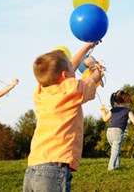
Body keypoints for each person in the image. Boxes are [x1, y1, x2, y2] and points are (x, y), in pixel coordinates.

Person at [23, 42, 103, 192]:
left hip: (32, 169)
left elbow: (64, 70)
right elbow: (93, 79)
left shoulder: (40, 91)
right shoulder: (71, 90)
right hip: (53, 171)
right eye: (71, 69)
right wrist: (96, 68)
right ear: (65, 76)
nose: (74, 69)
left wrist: (86, 47)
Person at [100, 89, 134, 172]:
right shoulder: (127, 110)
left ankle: (117, 165)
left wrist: (103, 111)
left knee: (115, 149)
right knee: (115, 151)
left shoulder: (113, 110)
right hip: (117, 132)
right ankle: (111, 168)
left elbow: (105, 119)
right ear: (125, 100)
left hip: (109, 132)